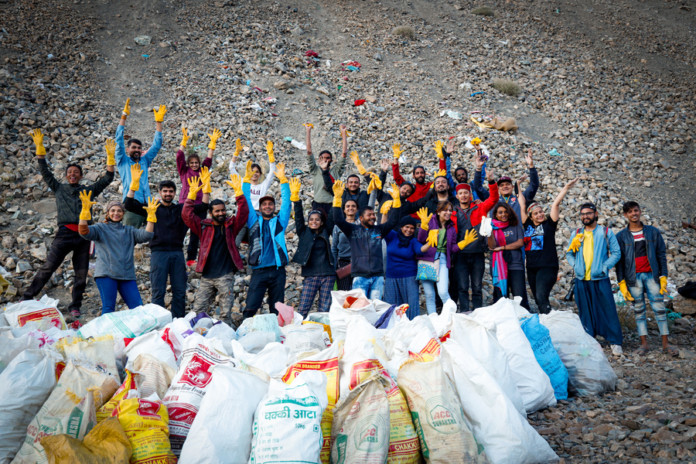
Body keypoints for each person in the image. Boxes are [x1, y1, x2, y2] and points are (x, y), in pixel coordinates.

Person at [22, 130, 115, 318]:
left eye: (76, 172)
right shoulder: (59, 188)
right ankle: (27, 297)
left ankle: (75, 306)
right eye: (70, 172)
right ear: (66, 176)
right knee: (49, 266)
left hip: (84, 235)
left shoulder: (88, 190)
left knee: (81, 274)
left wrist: (110, 158)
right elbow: (45, 172)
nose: (73, 175)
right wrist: (40, 151)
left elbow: (107, 179)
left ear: (81, 176)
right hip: (64, 234)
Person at [125, 165, 209, 318]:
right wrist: (133, 186)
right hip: (158, 254)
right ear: (160, 192)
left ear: (175, 193)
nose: (168, 194)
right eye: (165, 191)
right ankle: (159, 322)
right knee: (158, 291)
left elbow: (204, 206)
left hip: (177, 253)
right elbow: (128, 204)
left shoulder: (181, 209)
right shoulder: (152, 207)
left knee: (179, 291)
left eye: (171, 191)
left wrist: (206, 188)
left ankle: (178, 322)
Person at [182, 175, 248, 325]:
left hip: (225, 275)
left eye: (223, 210)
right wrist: (191, 196)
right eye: (217, 211)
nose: (221, 213)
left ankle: (225, 336)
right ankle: (197, 337)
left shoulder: (231, 226)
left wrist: (239, 194)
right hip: (206, 276)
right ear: (211, 213)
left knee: (225, 313)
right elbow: (186, 215)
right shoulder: (204, 226)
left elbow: (243, 213)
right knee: (198, 310)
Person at [78, 192, 156, 314]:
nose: (116, 213)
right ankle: (107, 334)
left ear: (123, 214)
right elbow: (84, 232)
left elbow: (147, 235)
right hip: (106, 274)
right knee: (109, 309)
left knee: (138, 309)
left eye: (119, 211)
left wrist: (151, 217)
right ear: (108, 213)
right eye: (113, 210)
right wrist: (84, 212)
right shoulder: (100, 228)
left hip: (126, 275)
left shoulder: (129, 230)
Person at [615, 201, 675, 356]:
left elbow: (661, 254)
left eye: (636, 210)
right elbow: (619, 262)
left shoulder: (652, 232)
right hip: (633, 278)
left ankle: (665, 344)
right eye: (630, 212)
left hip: (652, 276)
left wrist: (663, 276)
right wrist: (621, 281)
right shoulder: (621, 237)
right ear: (625, 215)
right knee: (639, 310)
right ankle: (644, 344)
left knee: (660, 309)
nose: (634, 214)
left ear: (640, 212)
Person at [566, 202, 623, 355]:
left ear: (595, 214)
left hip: (599, 278)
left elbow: (616, 253)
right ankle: (590, 339)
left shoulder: (605, 232)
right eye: (583, 214)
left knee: (607, 309)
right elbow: (569, 253)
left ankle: (615, 341)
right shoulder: (577, 233)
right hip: (581, 279)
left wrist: (605, 267)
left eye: (588, 213)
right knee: (585, 310)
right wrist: (575, 266)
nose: (585, 216)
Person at [333, 180, 402, 299]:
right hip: (360, 277)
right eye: (369, 215)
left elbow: (393, 221)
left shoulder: (379, 230)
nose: (373, 217)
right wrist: (337, 199)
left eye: (373, 215)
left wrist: (396, 201)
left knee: (375, 307)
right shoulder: (352, 230)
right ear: (361, 218)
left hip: (378, 277)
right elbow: (338, 220)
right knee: (360, 307)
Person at [518, 178, 578, 314]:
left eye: (540, 212)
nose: (540, 214)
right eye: (536, 213)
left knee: (540, 295)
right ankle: (547, 322)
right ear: (531, 216)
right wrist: (518, 186)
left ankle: (550, 321)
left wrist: (566, 188)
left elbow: (555, 204)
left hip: (548, 267)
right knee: (539, 299)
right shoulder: (527, 225)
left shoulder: (549, 225)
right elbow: (522, 205)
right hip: (532, 268)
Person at [243, 162, 291, 318]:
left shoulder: (279, 222)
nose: (268, 206)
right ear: (260, 206)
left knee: (277, 307)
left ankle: (278, 335)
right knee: (251, 305)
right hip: (259, 270)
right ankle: (244, 330)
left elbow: (286, 204)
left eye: (271, 204)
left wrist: (283, 181)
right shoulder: (253, 221)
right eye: (264, 204)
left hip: (278, 271)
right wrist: (245, 180)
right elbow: (246, 201)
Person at [417, 203, 478, 314]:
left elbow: (452, 248)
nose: (449, 213)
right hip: (427, 260)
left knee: (443, 292)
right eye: (445, 210)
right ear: (438, 212)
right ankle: (433, 319)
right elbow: (420, 239)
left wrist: (463, 244)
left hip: (443, 261)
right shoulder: (430, 221)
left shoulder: (451, 228)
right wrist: (424, 225)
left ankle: (451, 316)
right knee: (429, 295)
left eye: (450, 210)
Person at [453, 170, 499, 312]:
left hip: (478, 253)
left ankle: (478, 313)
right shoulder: (453, 212)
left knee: (477, 287)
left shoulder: (480, 207)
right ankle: (465, 312)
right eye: (461, 193)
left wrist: (491, 182)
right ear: (457, 196)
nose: (463, 195)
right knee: (462, 287)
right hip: (460, 254)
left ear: (470, 194)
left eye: (466, 192)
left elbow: (494, 199)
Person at [116, 98, 166, 227]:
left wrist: (159, 123)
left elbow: (156, 145)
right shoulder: (123, 161)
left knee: (152, 236)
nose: (137, 150)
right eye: (134, 148)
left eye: (139, 148)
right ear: (128, 149)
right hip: (132, 205)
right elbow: (119, 141)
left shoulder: (145, 161)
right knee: (130, 239)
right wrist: (124, 116)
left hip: (147, 205)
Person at [289, 178, 336, 317]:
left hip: (328, 274)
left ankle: (323, 334)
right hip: (310, 275)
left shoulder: (326, 231)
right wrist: (296, 199)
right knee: (304, 307)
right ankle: (299, 331)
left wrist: (336, 199)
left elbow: (333, 216)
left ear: (322, 222)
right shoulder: (303, 233)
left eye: (317, 220)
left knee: (324, 309)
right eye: (311, 219)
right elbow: (298, 217)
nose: (313, 222)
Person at [177, 127, 220, 266]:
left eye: (196, 163)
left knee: (196, 232)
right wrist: (183, 143)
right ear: (188, 164)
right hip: (185, 204)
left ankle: (191, 258)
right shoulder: (184, 171)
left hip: (200, 205)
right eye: (192, 163)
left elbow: (209, 159)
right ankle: (177, 254)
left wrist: (212, 145)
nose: (195, 165)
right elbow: (179, 157)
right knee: (181, 230)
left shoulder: (203, 170)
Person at [472, 147, 539, 221]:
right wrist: (478, 168)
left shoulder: (520, 199)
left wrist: (531, 166)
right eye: (502, 185)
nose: (505, 186)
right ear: (498, 188)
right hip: (497, 232)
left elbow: (534, 185)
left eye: (507, 184)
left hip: (516, 231)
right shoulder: (492, 199)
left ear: (512, 186)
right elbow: (477, 187)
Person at [305, 123, 347, 219]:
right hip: (317, 204)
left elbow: (344, 154)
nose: (325, 160)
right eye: (322, 158)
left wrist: (343, 134)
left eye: (328, 158)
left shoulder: (336, 171)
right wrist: (308, 131)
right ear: (319, 159)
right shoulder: (315, 170)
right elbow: (309, 152)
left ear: (331, 160)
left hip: (332, 204)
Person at [383, 216, 423, 319]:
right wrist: (384, 214)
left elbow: (420, 250)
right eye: (407, 227)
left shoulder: (413, 241)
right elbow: (384, 227)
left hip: (409, 276)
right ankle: (392, 329)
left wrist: (431, 242)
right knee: (391, 304)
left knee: (411, 304)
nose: (409, 230)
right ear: (401, 227)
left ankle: (413, 328)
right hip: (391, 276)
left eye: (412, 228)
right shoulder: (393, 236)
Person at [487, 203, 526, 303]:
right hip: (498, 267)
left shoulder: (515, 225)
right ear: (495, 214)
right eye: (500, 212)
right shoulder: (491, 227)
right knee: (501, 299)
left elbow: (520, 242)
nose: (503, 214)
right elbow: (492, 246)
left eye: (505, 212)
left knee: (519, 296)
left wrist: (503, 248)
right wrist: (489, 232)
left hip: (515, 265)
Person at [331, 199, 359, 291]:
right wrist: (333, 266)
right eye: (348, 206)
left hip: (359, 263)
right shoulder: (337, 226)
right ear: (344, 210)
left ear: (357, 209)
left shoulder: (361, 226)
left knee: (358, 293)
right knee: (343, 293)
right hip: (343, 263)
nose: (350, 208)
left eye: (353, 206)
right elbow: (334, 248)